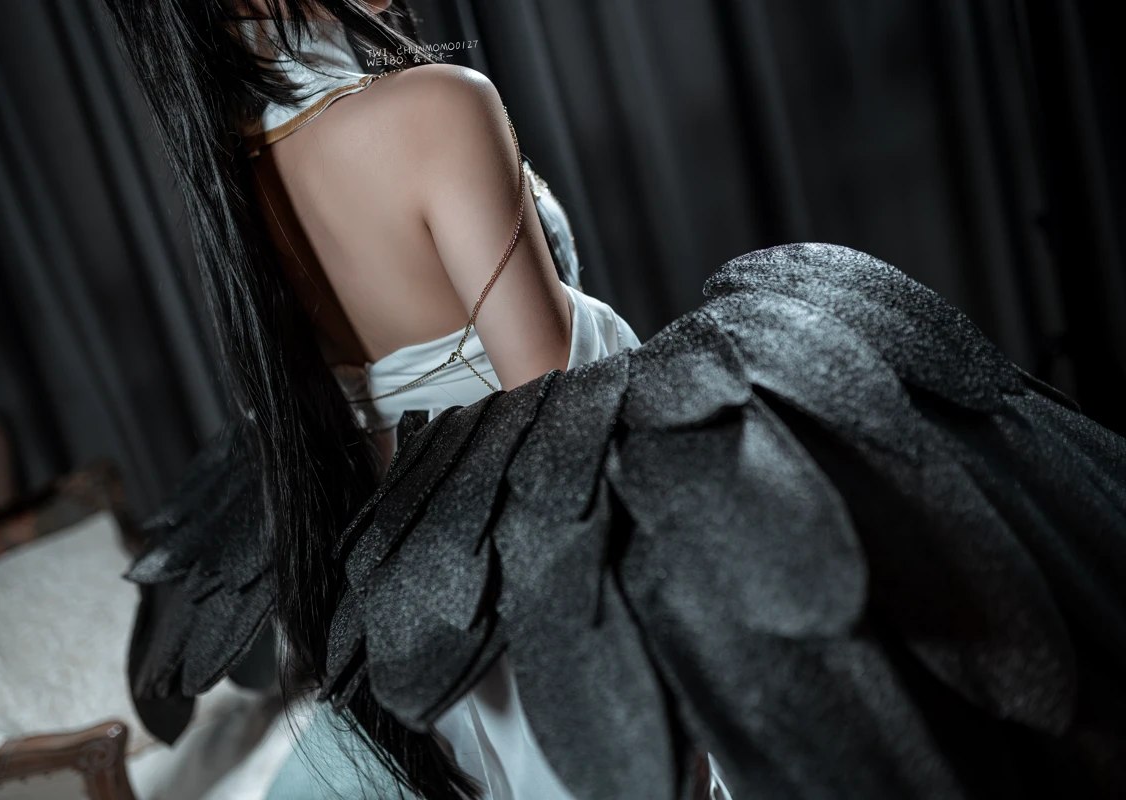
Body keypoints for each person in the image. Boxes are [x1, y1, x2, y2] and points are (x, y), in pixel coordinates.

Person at [105, 1, 1126, 799]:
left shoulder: (234, 176)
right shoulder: (432, 107)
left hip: (426, 603)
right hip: (570, 573)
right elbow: (558, 402)